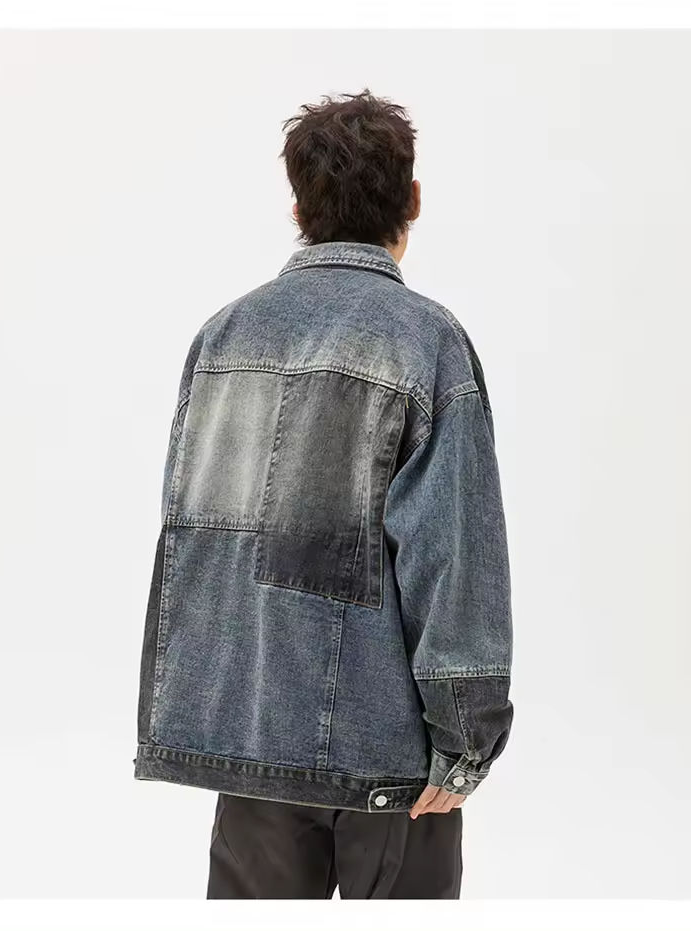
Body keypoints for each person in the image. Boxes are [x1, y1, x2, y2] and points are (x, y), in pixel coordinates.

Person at [133, 88, 514, 900]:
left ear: (299, 207)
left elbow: (192, 542)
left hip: (253, 746)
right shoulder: (428, 341)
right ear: (413, 199)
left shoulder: (222, 335)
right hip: (392, 763)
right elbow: (452, 556)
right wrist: (465, 740)